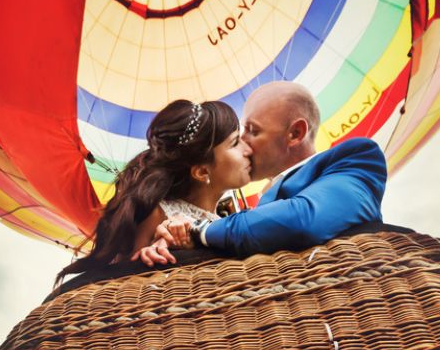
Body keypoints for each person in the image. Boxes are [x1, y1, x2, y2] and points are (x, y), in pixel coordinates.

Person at [135, 81, 387, 265]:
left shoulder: (356, 159)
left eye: (253, 131)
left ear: (295, 134)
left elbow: (301, 220)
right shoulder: (260, 210)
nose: (243, 143)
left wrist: (197, 230)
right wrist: (178, 244)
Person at [58, 99, 252, 280]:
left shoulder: (227, 221)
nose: (248, 149)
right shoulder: (158, 213)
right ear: (202, 172)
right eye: (235, 142)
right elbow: (128, 284)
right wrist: (147, 260)